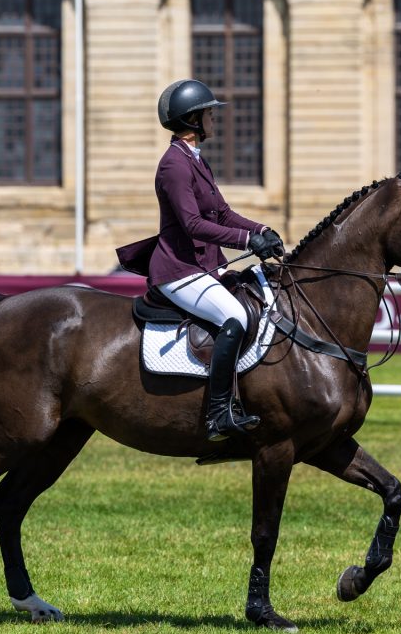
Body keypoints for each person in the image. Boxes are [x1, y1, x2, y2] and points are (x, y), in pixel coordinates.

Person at [119, 79, 284, 441]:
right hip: (179, 270)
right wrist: (246, 240)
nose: (214, 119)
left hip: (204, 263)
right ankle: (218, 414)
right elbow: (193, 224)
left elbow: (222, 213)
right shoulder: (173, 166)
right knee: (235, 316)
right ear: (193, 120)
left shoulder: (195, 160)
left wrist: (262, 229)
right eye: (210, 113)